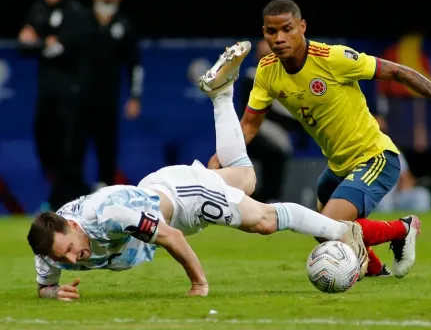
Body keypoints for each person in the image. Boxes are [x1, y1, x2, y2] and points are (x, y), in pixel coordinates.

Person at [27, 42, 374, 301]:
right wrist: (53, 294)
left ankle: (342, 231)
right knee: (245, 179)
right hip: (158, 190)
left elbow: (172, 238)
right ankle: (221, 95)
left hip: (182, 201)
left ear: (73, 226)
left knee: (264, 221)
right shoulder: (51, 245)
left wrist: (198, 284)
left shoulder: (110, 216)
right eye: (64, 257)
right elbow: (45, 285)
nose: (74, 258)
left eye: (70, 248)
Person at [205, 0, 431, 278]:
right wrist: (221, 158)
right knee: (321, 231)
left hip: (375, 158)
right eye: (272, 32)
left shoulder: (333, 58)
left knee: (328, 223)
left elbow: (397, 71)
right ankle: (377, 273)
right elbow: (248, 125)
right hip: (338, 166)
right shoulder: (267, 71)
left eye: (287, 29)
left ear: (302, 27)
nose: (280, 38)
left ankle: (403, 229)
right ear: (264, 32)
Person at [17, 0, 91, 210]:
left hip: (71, 93)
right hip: (46, 93)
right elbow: (23, 46)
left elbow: (64, 48)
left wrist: (38, 42)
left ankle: (70, 202)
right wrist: (43, 43)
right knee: (44, 142)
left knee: (70, 148)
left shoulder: (75, 11)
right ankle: (63, 197)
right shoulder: (37, 10)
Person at [86, 0, 143, 190]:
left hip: (108, 99)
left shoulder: (124, 23)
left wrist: (135, 97)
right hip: (77, 98)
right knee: (71, 149)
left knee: (107, 148)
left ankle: (104, 193)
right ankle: (67, 198)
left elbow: (134, 64)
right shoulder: (81, 20)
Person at [239, 39, 299, 203]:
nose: (265, 59)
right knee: (273, 153)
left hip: (281, 133)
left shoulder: (288, 77)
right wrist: (291, 122)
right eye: (262, 56)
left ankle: (269, 198)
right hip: (256, 129)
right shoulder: (251, 77)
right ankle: (262, 199)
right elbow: (257, 111)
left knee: (278, 152)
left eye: (269, 55)